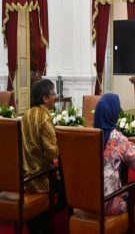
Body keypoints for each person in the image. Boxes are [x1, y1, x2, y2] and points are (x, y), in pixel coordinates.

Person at [22, 78, 64, 234]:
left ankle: (37, 220)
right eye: (53, 94)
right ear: (45, 99)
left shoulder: (26, 114)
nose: (56, 96)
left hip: (25, 178)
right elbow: (53, 152)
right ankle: (41, 222)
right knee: (69, 191)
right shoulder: (45, 118)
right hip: (41, 179)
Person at [93, 93, 135, 214]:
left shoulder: (88, 135)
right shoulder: (117, 137)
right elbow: (134, 161)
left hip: (86, 199)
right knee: (129, 199)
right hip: (107, 203)